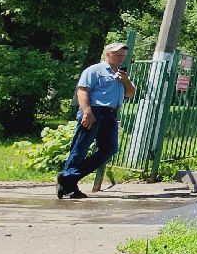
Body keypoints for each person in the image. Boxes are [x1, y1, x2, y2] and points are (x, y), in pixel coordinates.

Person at [55, 42, 136, 199]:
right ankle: (70, 186)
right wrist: (87, 112)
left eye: (123, 56)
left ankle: (68, 177)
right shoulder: (94, 70)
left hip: (111, 114)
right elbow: (82, 90)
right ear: (108, 54)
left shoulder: (121, 73)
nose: (121, 58)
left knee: (109, 149)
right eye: (118, 55)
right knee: (80, 149)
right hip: (94, 112)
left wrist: (125, 80)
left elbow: (131, 93)